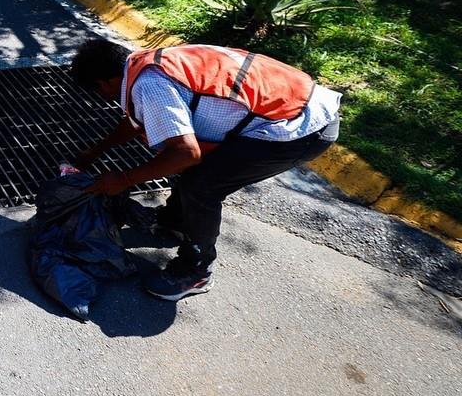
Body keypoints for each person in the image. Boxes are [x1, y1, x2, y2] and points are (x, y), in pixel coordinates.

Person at [69, 39, 341, 302]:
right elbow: (138, 119)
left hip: (297, 128)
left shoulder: (149, 85)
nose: (102, 98)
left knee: (201, 186)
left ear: (104, 83)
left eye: (97, 92)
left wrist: (124, 179)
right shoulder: (147, 63)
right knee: (189, 162)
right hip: (297, 101)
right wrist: (95, 152)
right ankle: (174, 222)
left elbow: (186, 153)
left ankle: (196, 269)